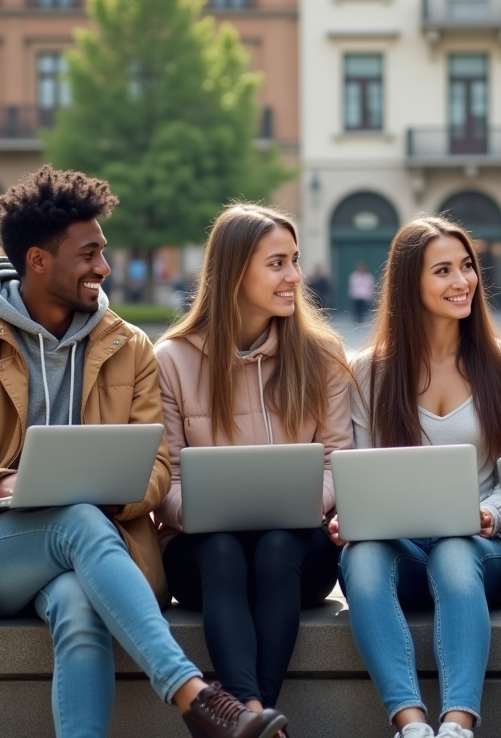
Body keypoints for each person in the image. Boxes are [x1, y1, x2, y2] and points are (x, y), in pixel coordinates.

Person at [0, 166, 286, 738]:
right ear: (37, 260)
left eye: (102, 252)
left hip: (94, 547)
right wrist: (8, 486)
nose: (104, 268)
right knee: (75, 518)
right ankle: (195, 697)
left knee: (79, 605)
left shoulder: (128, 346)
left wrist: (114, 494)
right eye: (88, 255)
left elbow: (157, 469)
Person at [155, 204, 353, 717]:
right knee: (222, 548)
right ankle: (255, 714)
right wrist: (199, 512)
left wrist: (305, 504)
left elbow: (339, 462)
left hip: (295, 555)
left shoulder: (323, 354)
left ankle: (247, 715)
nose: (295, 276)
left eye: (295, 260)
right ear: (235, 269)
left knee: (275, 544)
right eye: (277, 263)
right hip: (201, 557)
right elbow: (166, 479)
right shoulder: (172, 360)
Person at [329, 217, 501, 738]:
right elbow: (361, 472)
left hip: (481, 548)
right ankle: (411, 724)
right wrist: (352, 515)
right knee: (360, 556)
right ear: (410, 283)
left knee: (456, 552)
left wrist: (491, 513)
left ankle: (457, 724)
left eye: (466, 267)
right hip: (402, 550)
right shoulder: (368, 371)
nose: (462, 281)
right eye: (443, 271)